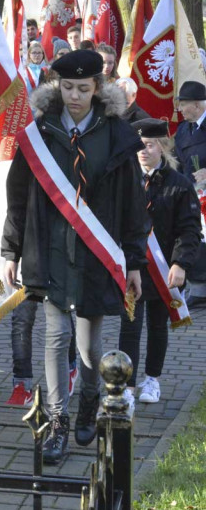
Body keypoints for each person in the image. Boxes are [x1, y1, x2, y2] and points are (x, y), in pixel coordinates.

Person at [3, 49, 148, 465]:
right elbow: (17, 196)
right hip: (50, 251)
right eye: (68, 88)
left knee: (89, 345)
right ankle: (57, 422)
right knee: (54, 337)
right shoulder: (40, 131)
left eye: (83, 89)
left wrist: (134, 261)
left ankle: (88, 400)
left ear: (97, 88)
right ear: (57, 85)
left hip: (96, 254)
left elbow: (134, 204)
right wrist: (10, 250)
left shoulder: (117, 133)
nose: (75, 97)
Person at [119, 119, 201, 404]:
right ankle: (127, 386)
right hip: (132, 267)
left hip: (162, 269)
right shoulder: (125, 179)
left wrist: (180, 264)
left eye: (150, 144)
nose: (144, 150)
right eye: (139, 145)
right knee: (129, 326)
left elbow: (190, 229)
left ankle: (152, 379)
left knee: (156, 325)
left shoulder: (179, 185)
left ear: (163, 146)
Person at [172, 80, 206, 308]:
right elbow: (177, 159)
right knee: (196, 237)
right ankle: (199, 288)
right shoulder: (184, 129)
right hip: (192, 191)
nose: (180, 110)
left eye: (184, 105)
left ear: (198, 104)